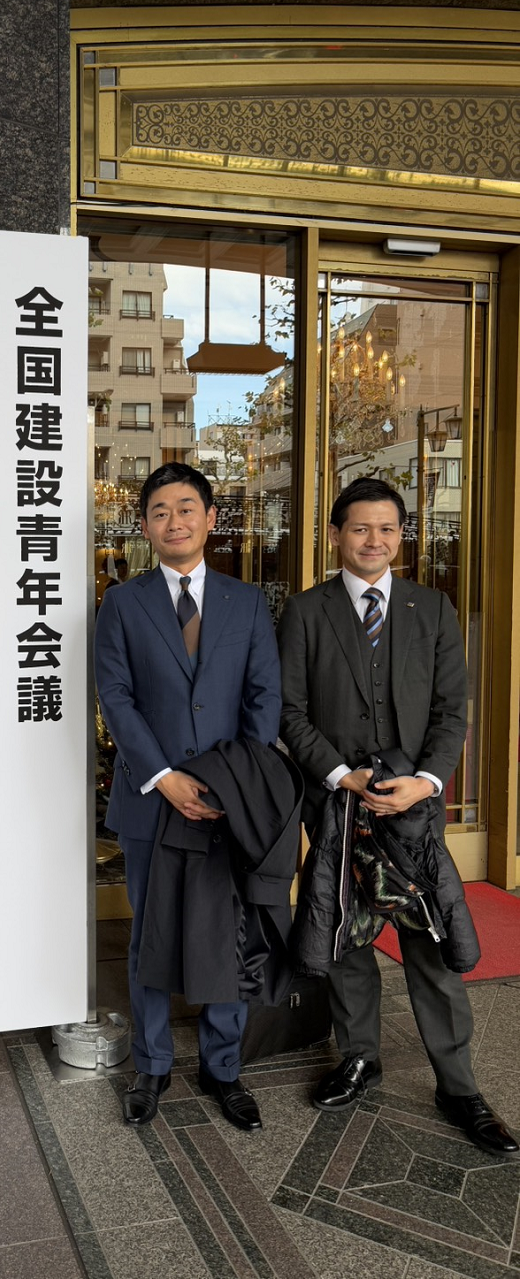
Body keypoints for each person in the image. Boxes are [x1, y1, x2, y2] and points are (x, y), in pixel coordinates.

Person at [277, 475, 518, 1158]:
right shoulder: (305, 612)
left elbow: (451, 709)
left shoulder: (432, 607)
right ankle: (359, 1057)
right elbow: (289, 712)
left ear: (401, 536)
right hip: (340, 805)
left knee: (430, 939)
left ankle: (459, 1087)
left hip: (414, 808)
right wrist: (340, 775)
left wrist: (426, 782)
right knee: (348, 937)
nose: (373, 540)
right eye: (359, 528)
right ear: (335, 535)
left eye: (387, 528)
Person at [94, 463, 281, 1130]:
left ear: (210, 519)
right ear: (144, 527)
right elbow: (115, 696)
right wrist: (164, 776)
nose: (174, 521)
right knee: (149, 933)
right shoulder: (122, 603)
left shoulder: (246, 602)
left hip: (227, 800)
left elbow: (263, 697)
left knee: (227, 933)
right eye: (160, 512)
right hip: (152, 798)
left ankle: (222, 1067)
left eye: (186, 508)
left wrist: (237, 783)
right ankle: (151, 1066)